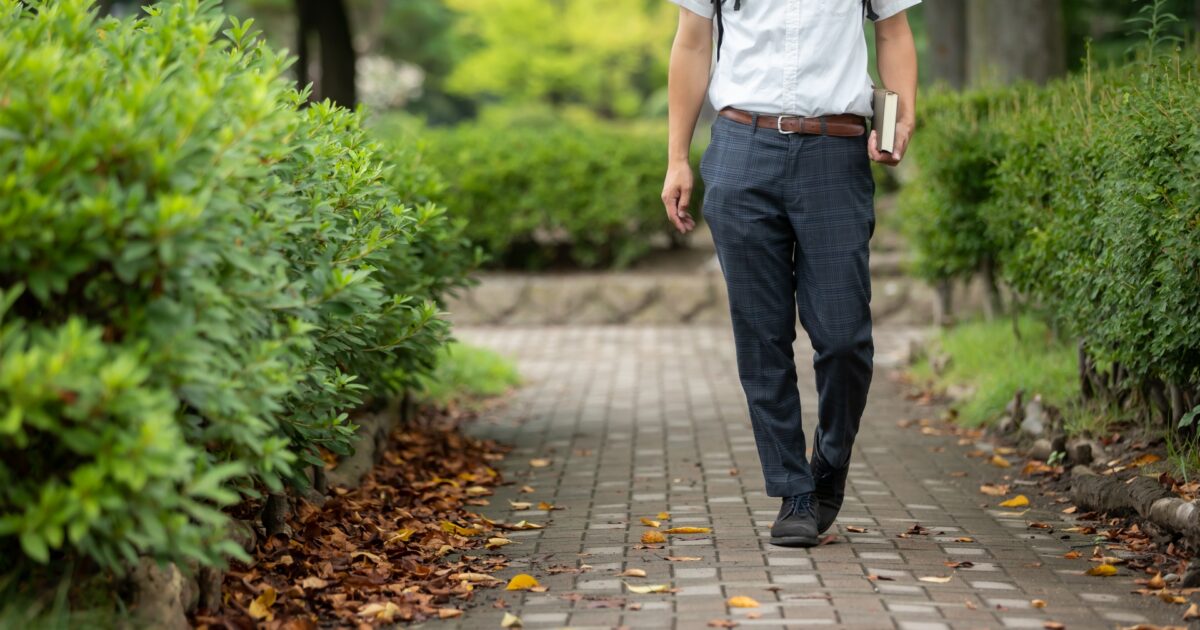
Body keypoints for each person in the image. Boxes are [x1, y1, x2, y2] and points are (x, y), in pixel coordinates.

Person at [662, 0, 919, 547]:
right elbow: (691, 42)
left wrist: (901, 116)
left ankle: (829, 460)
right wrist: (677, 158)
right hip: (740, 148)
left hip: (836, 150)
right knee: (762, 335)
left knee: (845, 337)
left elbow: (894, 34)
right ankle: (793, 492)